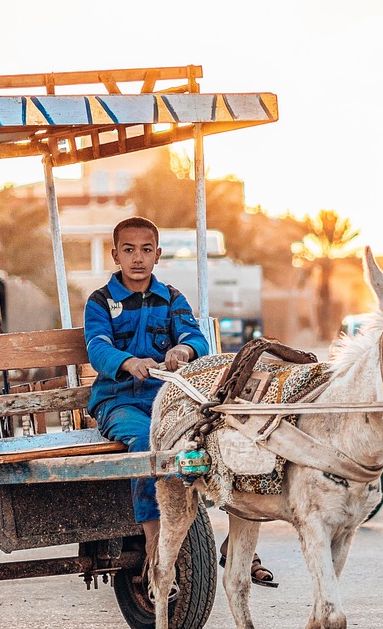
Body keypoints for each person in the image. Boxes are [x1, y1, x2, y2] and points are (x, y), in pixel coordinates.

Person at [84, 216, 276, 585]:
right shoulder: (101, 302)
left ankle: (238, 541)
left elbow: (195, 337)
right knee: (149, 445)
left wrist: (184, 350)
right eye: (128, 250)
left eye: (145, 250)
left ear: (157, 255)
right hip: (120, 403)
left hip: (170, 401)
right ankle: (155, 540)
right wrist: (128, 362)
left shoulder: (172, 299)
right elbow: (98, 347)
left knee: (224, 440)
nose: (137, 258)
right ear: (115, 255)